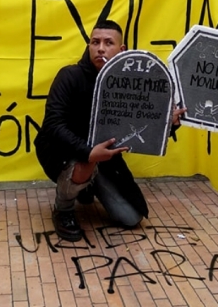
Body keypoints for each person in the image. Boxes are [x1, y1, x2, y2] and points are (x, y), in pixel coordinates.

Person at [34, 20, 186, 241]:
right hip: (64, 152)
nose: (101, 48)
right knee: (83, 166)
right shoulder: (69, 76)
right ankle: (63, 209)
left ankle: (87, 188)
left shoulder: (130, 84)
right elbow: (53, 124)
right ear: (89, 46)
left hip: (105, 159)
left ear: (121, 50)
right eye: (95, 42)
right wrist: (87, 152)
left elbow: (140, 122)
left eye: (108, 43)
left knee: (131, 217)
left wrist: (166, 123)